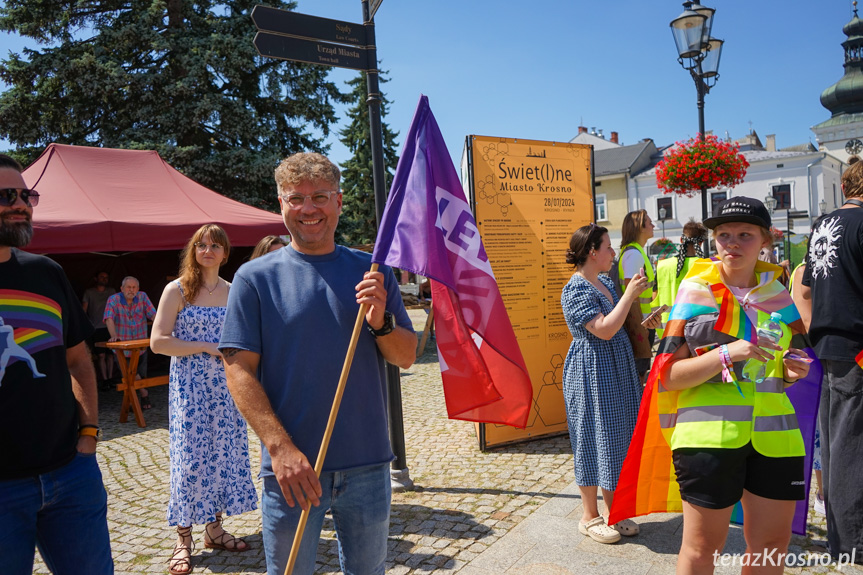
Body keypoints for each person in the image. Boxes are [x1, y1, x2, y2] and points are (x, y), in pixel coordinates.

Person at [219, 152, 417, 575]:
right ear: (281, 205)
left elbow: (406, 356)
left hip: (367, 464)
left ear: (339, 202)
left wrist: (380, 323)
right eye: (296, 198)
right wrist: (279, 447)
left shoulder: (371, 271)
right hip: (291, 470)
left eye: (320, 197)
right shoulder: (254, 278)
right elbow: (237, 370)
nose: (309, 209)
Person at [658, 197, 811, 574]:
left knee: (772, 546)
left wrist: (793, 372)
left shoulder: (778, 295)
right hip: (708, 437)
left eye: (745, 234)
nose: (732, 243)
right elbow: (668, 376)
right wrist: (730, 353)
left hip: (776, 437)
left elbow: (796, 364)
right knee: (702, 548)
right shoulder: (694, 291)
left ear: (765, 241)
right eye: (724, 235)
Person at [0, 153, 113, 574]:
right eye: (6, 195)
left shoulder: (46, 273)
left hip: (70, 475)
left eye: (26, 194)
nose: (21, 203)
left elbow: (79, 362)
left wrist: (87, 437)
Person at [150, 224, 257, 575]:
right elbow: (159, 342)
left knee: (221, 454)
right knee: (190, 459)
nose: (207, 250)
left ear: (226, 253)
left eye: (215, 245)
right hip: (190, 388)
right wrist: (203, 345)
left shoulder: (233, 290)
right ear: (193, 251)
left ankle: (214, 528)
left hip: (226, 387)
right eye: (201, 244)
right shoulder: (177, 289)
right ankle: (183, 538)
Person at [561, 223, 657, 544]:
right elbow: (602, 329)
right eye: (608, 247)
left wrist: (646, 319)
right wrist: (629, 294)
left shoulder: (603, 281)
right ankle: (589, 517)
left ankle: (614, 512)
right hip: (590, 370)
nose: (613, 253)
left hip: (615, 366)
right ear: (592, 252)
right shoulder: (575, 289)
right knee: (591, 435)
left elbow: (616, 322)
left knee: (615, 437)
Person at [800, 159, 863, 561]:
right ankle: (853, 544)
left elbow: (804, 291)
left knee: (838, 446)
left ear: (844, 186)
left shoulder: (821, 225)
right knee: (852, 449)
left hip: (826, 348)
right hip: (856, 350)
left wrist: (813, 333)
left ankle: (842, 538)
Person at [103, 276, 156, 409]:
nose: (131, 290)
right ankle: (143, 396)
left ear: (138, 289)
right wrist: (113, 336)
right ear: (121, 288)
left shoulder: (143, 297)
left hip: (140, 345)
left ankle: (136, 401)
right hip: (123, 347)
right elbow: (109, 318)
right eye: (128, 287)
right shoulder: (113, 299)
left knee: (141, 375)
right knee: (128, 375)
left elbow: (155, 315)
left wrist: (160, 332)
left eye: (134, 288)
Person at [618, 209, 658, 379]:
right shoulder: (634, 254)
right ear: (640, 227)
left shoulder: (635, 252)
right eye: (649, 222)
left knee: (639, 373)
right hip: (639, 324)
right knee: (638, 375)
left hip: (642, 321)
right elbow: (631, 293)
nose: (653, 225)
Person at [653, 220, 707, 338]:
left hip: (668, 331)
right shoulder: (707, 266)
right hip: (698, 331)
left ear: (681, 240)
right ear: (701, 242)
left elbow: (655, 295)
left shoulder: (663, 266)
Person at [82, 271, 116, 385]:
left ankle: (110, 378)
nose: (104, 279)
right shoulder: (89, 292)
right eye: (102, 277)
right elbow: (84, 310)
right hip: (96, 327)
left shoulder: (111, 292)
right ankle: (105, 379)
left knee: (111, 355)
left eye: (106, 277)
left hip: (110, 327)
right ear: (96, 278)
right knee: (101, 355)